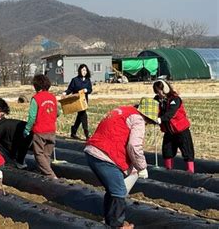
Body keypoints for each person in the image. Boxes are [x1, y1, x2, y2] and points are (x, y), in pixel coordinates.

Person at [84, 98, 157, 229]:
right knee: (119, 191)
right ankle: (117, 225)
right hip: (105, 155)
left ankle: (109, 221)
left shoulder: (123, 110)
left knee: (112, 189)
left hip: (92, 150)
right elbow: (134, 146)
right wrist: (142, 167)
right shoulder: (138, 120)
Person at [153, 80, 195, 173]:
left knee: (187, 151)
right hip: (169, 131)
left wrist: (160, 119)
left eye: (160, 90)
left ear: (165, 89)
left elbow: (171, 113)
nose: (158, 92)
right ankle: (169, 171)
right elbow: (151, 108)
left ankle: (190, 172)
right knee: (167, 151)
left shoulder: (175, 99)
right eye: (156, 90)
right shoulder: (157, 100)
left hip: (181, 130)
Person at [24, 74, 59, 178]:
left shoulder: (36, 98)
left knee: (39, 154)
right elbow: (58, 113)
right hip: (51, 130)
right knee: (46, 154)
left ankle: (51, 175)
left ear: (35, 86)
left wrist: (27, 129)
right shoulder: (52, 97)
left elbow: (32, 117)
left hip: (40, 131)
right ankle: (46, 174)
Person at [62, 64, 93, 140]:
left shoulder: (88, 80)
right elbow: (70, 89)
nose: (84, 72)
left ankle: (73, 131)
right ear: (79, 71)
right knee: (83, 115)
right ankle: (86, 134)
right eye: (82, 70)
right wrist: (65, 93)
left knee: (80, 116)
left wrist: (86, 90)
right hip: (76, 101)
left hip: (84, 101)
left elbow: (90, 90)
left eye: (85, 70)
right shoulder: (75, 80)